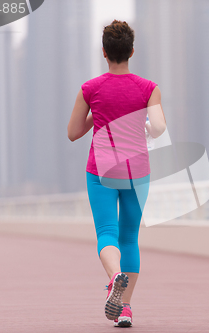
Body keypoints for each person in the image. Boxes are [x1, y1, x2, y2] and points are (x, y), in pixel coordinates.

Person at [67, 19, 166, 328]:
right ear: (132, 51)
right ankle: (124, 309)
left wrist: (95, 116)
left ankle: (114, 279)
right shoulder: (149, 88)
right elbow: (159, 128)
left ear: (104, 52)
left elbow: (72, 133)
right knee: (129, 237)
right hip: (137, 171)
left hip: (101, 170)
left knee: (107, 233)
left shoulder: (90, 89)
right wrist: (148, 127)